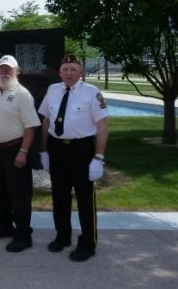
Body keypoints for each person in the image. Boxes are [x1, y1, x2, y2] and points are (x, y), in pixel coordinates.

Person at [38, 54, 108, 262]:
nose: (69, 73)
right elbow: (46, 121)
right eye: (65, 69)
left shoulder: (92, 93)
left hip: (82, 151)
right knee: (59, 197)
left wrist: (98, 157)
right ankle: (62, 236)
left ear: (81, 72)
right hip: (57, 149)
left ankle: (88, 243)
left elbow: (103, 127)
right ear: (60, 72)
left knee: (85, 200)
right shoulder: (52, 90)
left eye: (73, 69)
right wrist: (44, 150)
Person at [0, 55, 41, 253]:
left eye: (9, 69)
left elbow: (31, 126)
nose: (5, 72)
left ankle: (24, 235)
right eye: (2, 68)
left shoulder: (22, 94)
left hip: (15, 150)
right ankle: (6, 225)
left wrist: (23, 152)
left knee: (19, 195)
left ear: (18, 70)